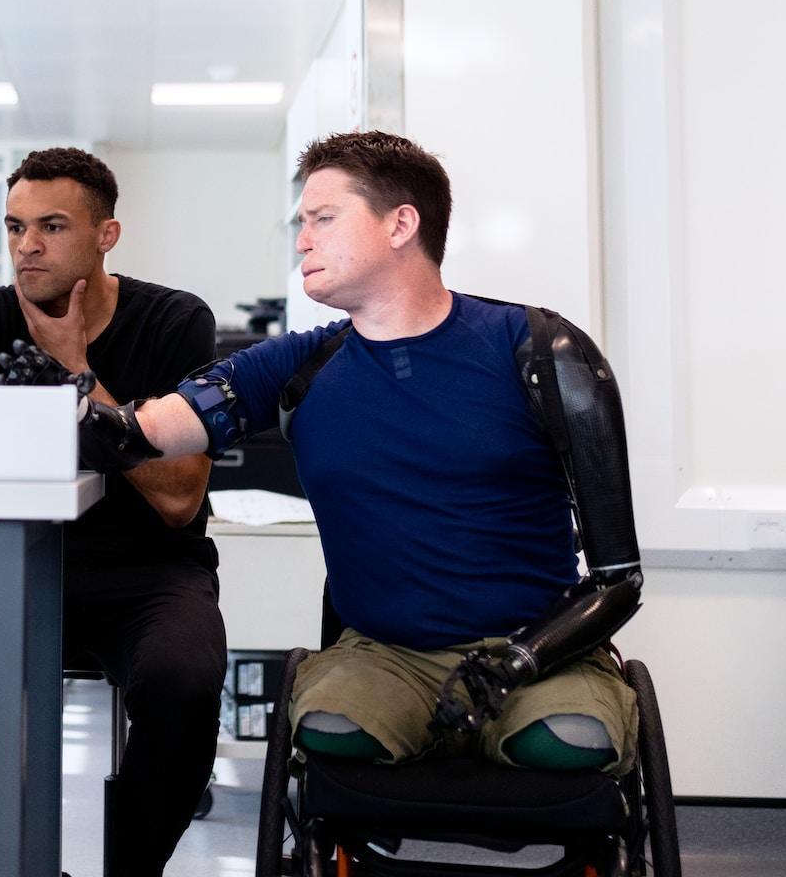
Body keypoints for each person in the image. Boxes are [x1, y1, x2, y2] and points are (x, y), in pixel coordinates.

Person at [49, 130, 644, 777]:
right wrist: (79, 405)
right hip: (387, 657)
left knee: (569, 742)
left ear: (400, 225)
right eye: (301, 223)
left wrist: (523, 660)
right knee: (332, 734)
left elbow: (620, 580)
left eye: (323, 219)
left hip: (541, 653)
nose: (303, 239)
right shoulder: (297, 364)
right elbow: (149, 430)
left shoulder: (539, 352)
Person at [0, 147, 228, 877]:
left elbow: (180, 498)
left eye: (52, 226)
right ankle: (14, 865)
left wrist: (77, 373)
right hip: (11, 566)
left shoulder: (174, 320)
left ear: (106, 235)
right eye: (15, 226)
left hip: (147, 573)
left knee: (183, 678)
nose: (27, 245)